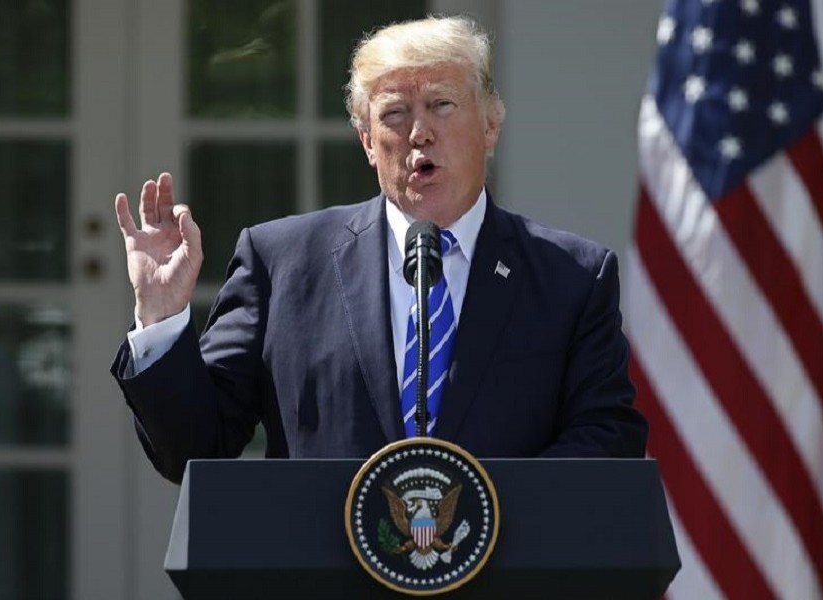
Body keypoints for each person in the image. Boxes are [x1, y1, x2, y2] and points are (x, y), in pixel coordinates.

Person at [111, 15, 647, 484]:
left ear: (490, 126)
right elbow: (195, 451)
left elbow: (607, 439)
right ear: (367, 139)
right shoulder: (280, 262)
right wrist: (161, 317)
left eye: (442, 105)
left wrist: (486, 515)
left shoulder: (572, 277)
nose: (420, 133)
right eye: (394, 114)